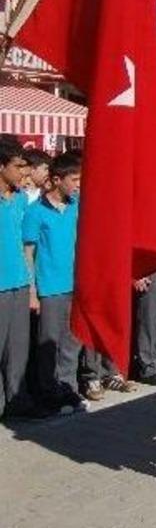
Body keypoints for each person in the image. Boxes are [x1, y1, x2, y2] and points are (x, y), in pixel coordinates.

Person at [22, 152, 84, 413]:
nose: (78, 184)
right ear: (57, 180)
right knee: (49, 342)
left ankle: (68, 387)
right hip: (49, 287)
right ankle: (47, 391)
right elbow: (28, 252)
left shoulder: (76, 206)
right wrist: (32, 291)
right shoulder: (35, 211)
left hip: (75, 285)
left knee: (72, 340)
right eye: (74, 179)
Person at [0, 143, 34, 419]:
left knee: (18, 346)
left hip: (20, 282)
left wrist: (31, 286)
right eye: (18, 166)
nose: (23, 172)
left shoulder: (22, 199)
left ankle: (17, 399)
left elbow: (28, 246)